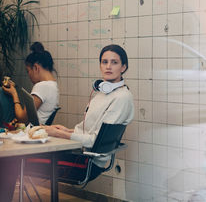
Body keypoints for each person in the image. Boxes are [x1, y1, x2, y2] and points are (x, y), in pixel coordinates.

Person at [0, 44, 134, 201]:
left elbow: (95, 141)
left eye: (114, 62)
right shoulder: (102, 92)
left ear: (123, 67)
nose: (108, 66)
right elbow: (86, 131)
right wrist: (65, 130)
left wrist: (58, 133)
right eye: (104, 62)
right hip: (79, 154)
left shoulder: (122, 98)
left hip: (86, 163)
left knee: (9, 159)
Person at [1, 42, 59, 125]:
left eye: (28, 71)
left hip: (30, 131)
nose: (29, 75)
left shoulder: (41, 86)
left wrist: (14, 94)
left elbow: (22, 119)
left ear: (35, 68)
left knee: (1, 92)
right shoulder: (53, 85)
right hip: (35, 129)